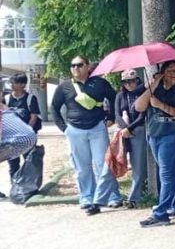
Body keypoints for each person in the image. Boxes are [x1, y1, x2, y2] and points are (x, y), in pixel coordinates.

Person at [51, 55, 121, 214]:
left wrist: (111, 118)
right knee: (82, 168)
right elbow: (54, 107)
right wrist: (64, 129)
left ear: (88, 66)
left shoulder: (100, 83)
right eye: (73, 65)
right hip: (74, 130)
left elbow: (114, 98)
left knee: (104, 164)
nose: (76, 68)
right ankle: (87, 197)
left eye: (79, 65)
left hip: (97, 129)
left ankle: (111, 196)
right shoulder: (64, 87)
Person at [134, 61, 175, 227]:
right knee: (171, 174)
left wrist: (161, 106)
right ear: (162, 73)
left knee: (166, 175)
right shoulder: (155, 89)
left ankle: (160, 214)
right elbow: (139, 107)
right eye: (170, 70)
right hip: (155, 136)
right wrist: (154, 84)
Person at [114, 70, 147, 208]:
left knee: (137, 166)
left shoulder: (142, 93)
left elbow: (142, 116)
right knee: (112, 162)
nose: (129, 84)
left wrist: (130, 129)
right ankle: (108, 196)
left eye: (132, 81)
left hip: (137, 130)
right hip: (123, 131)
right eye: (125, 82)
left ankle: (134, 197)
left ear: (137, 81)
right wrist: (124, 128)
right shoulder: (120, 95)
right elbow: (117, 114)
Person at [5, 73, 42, 184]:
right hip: (11, 138)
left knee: (29, 161)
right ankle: (15, 186)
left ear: (23, 84)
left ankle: (29, 186)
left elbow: (33, 116)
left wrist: (26, 132)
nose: (11, 85)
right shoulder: (6, 99)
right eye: (11, 83)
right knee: (13, 163)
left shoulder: (30, 98)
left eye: (14, 83)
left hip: (27, 137)